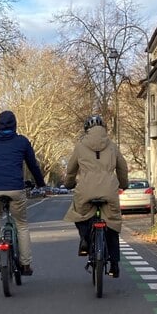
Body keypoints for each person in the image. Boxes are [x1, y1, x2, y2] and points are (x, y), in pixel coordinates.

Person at [0, 110, 47, 276]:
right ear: (15, 124)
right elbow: (33, 165)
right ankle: (25, 265)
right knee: (21, 224)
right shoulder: (22, 142)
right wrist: (40, 184)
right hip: (15, 188)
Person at [62, 115, 130, 277]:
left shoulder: (80, 146)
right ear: (104, 129)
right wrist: (123, 184)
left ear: (87, 130)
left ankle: (85, 239)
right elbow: (122, 168)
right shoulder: (112, 146)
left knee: (78, 213)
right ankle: (114, 264)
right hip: (109, 190)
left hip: (86, 190)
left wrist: (69, 184)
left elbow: (71, 170)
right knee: (112, 223)